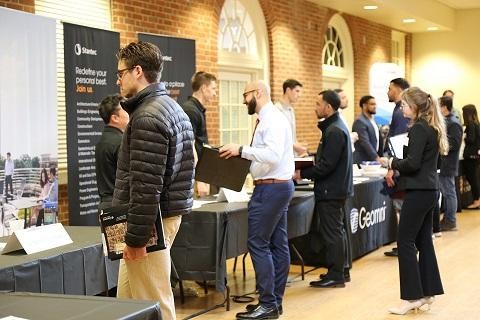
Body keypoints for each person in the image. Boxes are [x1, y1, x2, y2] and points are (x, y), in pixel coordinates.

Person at [111, 41, 195, 320]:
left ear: (137, 71)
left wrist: (135, 238)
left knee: (154, 300)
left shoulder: (147, 116)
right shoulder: (170, 107)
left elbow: (147, 188)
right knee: (127, 301)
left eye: (120, 73)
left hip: (151, 221)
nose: (118, 80)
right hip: (155, 218)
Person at [219, 80, 294, 320]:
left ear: (257, 93)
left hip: (271, 190)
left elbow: (271, 155)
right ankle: (274, 302)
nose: (243, 101)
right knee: (278, 245)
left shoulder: (271, 119)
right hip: (278, 187)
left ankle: (268, 303)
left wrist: (241, 150)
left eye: (245, 95)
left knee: (258, 244)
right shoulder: (272, 118)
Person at [384, 87, 446, 315]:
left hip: (420, 191)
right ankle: (428, 291)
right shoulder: (429, 128)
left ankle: (412, 296)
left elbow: (412, 164)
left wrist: (392, 163)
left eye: (404, 105)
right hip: (428, 189)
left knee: (405, 241)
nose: (401, 108)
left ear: (415, 106)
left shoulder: (420, 128)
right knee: (423, 241)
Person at [295, 90, 353, 288]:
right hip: (335, 189)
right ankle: (340, 270)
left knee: (332, 233)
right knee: (337, 231)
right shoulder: (335, 127)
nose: (315, 107)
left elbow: (327, 165)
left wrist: (301, 174)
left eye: (318, 103)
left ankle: (336, 275)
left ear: (328, 107)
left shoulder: (334, 130)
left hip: (331, 190)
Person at [384, 78, 410, 257]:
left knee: (401, 206)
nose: (388, 91)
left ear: (399, 89)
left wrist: (393, 168)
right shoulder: (398, 109)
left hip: (399, 168)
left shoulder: (400, 112)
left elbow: (399, 142)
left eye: (390, 88)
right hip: (399, 166)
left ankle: (404, 244)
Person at [182, 71, 217, 197]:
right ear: (203, 88)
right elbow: (189, 147)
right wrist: (200, 179)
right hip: (195, 176)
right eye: (213, 89)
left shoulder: (197, 109)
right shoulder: (190, 110)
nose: (215, 93)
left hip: (201, 172)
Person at [95, 94, 129, 212]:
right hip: (119, 207)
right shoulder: (121, 142)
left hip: (106, 206)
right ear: (115, 118)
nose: (130, 112)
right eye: (125, 110)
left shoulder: (102, 141)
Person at [439, 96, 462, 231]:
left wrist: (439, 145)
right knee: (447, 192)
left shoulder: (453, 123)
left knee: (449, 193)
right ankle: (448, 219)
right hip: (444, 163)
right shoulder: (447, 121)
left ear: (444, 106)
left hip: (447, 163)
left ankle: (450, 220)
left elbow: (453, 144)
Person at [275, 79, 308, 156]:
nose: (299, 95)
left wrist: (298, 145)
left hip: (290, 155)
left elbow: (290, 136)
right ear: (288, 90)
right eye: (297, 91)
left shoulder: (291, 110)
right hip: (280, 156)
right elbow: (277, 136)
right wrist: (294, 146)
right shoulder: (277, 109)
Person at [352, 95, 383, 164]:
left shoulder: (373, 121)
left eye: (375, 104)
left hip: (373, 160)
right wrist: (376, 158)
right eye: (372, 104)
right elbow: (365, 142)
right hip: (362, 161)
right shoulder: (360, 121)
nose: (375, 107)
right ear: (364, 106)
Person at [461, 104, 480, 209]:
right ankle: (477, 199)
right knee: (475, 179)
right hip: (475, 155)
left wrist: (464, 137)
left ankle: (477, 200)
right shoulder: (477, 123)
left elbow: (471, 139)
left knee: (472, 179)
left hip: (470, 155)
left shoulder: (471, 125)